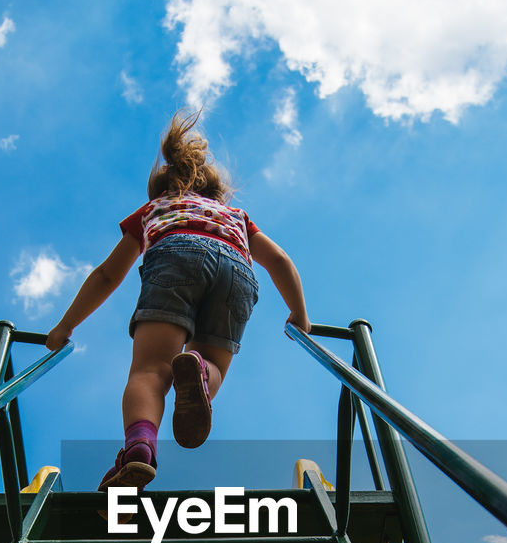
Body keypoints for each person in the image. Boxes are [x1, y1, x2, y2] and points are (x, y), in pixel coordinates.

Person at [44, 111, 310, 491]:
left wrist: (65, 325)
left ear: (162, 189)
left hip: (175, 255)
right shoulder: (236, 216)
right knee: (213, 365)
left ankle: (139, 448)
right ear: (215, 192)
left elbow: (107, 274)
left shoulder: (152, 211)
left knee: (150, 371)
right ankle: (200, 369)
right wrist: (299, 314)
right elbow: (280, 261)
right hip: (238, 270)